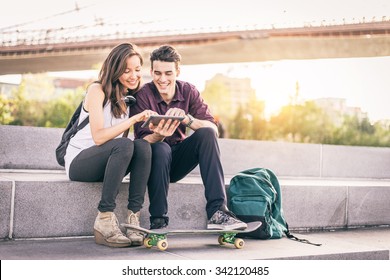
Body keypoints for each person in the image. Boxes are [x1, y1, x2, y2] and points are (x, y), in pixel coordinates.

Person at [130, 45, 247, 231]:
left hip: (178, 160)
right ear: (151, 72)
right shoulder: (142, 95)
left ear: (177, 71)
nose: (162, 79)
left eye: (168, 73)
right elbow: (141, 145)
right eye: (157, 73)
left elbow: (213, 128)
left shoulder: (188, 91)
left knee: (206, 133)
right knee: (161, 148)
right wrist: (159, 135)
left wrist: (188, 119)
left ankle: (218, 212)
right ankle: (158, 219)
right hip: (154, 164)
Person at [64, 43, 156, 248]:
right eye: (126, 70)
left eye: (137, 69)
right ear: (115, 70)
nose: (133, 75)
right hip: (80, 162)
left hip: (106, 163)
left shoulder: (129, 98)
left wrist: (157, 131)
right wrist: (133, 120)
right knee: (124, 144)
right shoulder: (96, 90)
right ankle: (104, 219)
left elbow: (127, 146)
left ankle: (133, 218)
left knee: (142, 146)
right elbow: (98, 137)